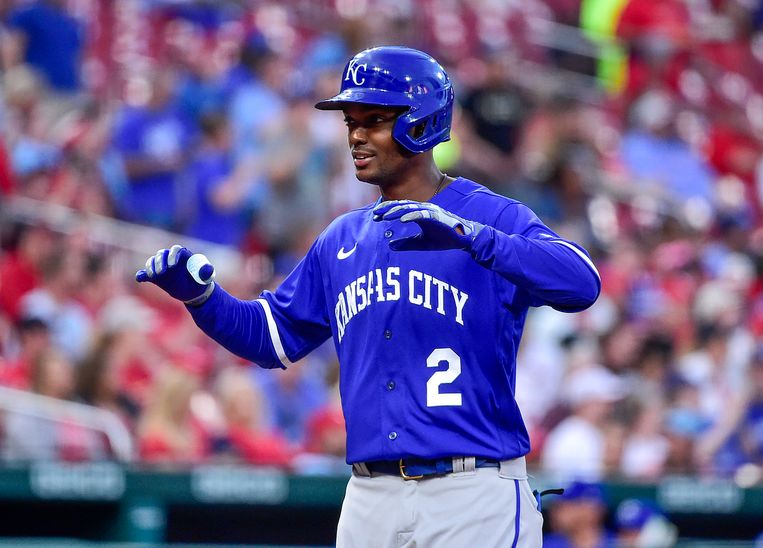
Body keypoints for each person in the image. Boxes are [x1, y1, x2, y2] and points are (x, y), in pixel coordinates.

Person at [135, 46, 601, 547]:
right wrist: (204, 300)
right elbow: (273, 339)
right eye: (351, 121)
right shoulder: (342, 237)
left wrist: (474, 238)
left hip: (472, 488)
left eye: (374, 119)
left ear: (421, 122)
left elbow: (582, 282)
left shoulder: (490, 217)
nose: (356, 134)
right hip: (369, 494)